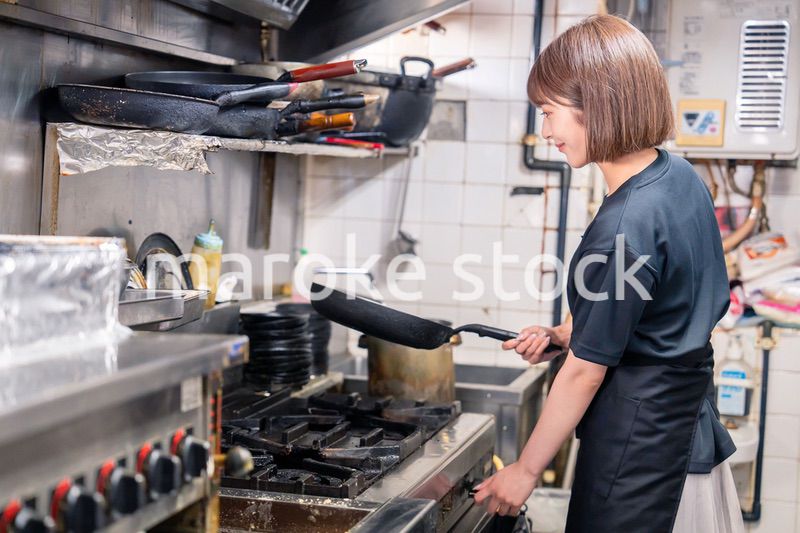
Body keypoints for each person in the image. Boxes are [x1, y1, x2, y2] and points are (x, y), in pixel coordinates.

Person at [473, 15, 745, 533]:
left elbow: (585, 371)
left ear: (597, 105)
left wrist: (525, 471)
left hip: (642, 462)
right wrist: (565, 334)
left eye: (550, 112)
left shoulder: (625, 222)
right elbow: (649, 306)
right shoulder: (676, 176)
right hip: (684, 435)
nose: (546, 130)